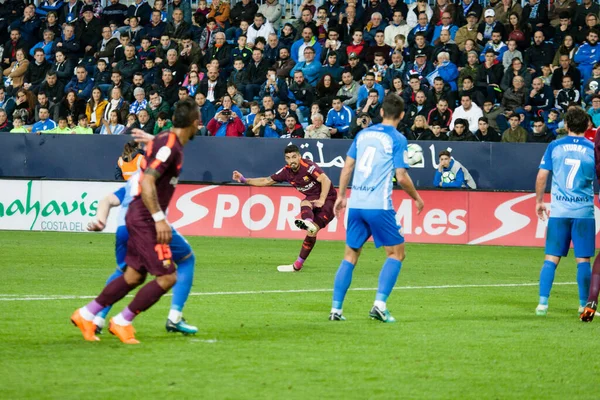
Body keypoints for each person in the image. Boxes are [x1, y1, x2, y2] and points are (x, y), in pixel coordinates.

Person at [70, 98, 200, 344]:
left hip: (137, 216)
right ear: (195, 123)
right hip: (145, 218)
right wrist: (159, 219)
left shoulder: (166, 140)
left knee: (133, 276)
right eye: (199, 122)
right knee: (167, 277)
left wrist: (154, 141)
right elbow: (149, 181)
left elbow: (160, 149)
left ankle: (86, 314)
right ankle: (122, 321)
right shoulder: (169, 146)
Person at [329, 93, 424, 322]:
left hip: (356, 204)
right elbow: (401, 176)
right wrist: (417, 198)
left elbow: (347, 167)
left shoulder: (362, 134)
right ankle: (379, 305)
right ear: (402, 115)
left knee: (350, 255)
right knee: (396, 253)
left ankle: (336, 310)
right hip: (378, 205)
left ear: (381, 112)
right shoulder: (398, 138)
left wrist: (341, 195)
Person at [232, 144, 336, 272]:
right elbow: (266, 181)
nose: (291, 160)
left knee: (307, 212)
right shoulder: (286, 172)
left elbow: (326, 180)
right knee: (308, 217)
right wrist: (243, 179)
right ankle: (298, 261)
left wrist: (322, 199)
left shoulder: (307, 166)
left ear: (299, 156)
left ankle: (307, 228)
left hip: (329, 200)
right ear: (285, 159)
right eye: (288, 158)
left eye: (294, 157)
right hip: (312, 199)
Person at [532, 107, 595, 318]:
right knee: (584, 260)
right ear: (587, 125)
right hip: (584, 211)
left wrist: (539, 201)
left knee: (551, 258)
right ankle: (583, 306)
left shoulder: (555, 146)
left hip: (559, 211)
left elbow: (542, 176)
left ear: (566, 125)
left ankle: (542, 304)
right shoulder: (593, 148)